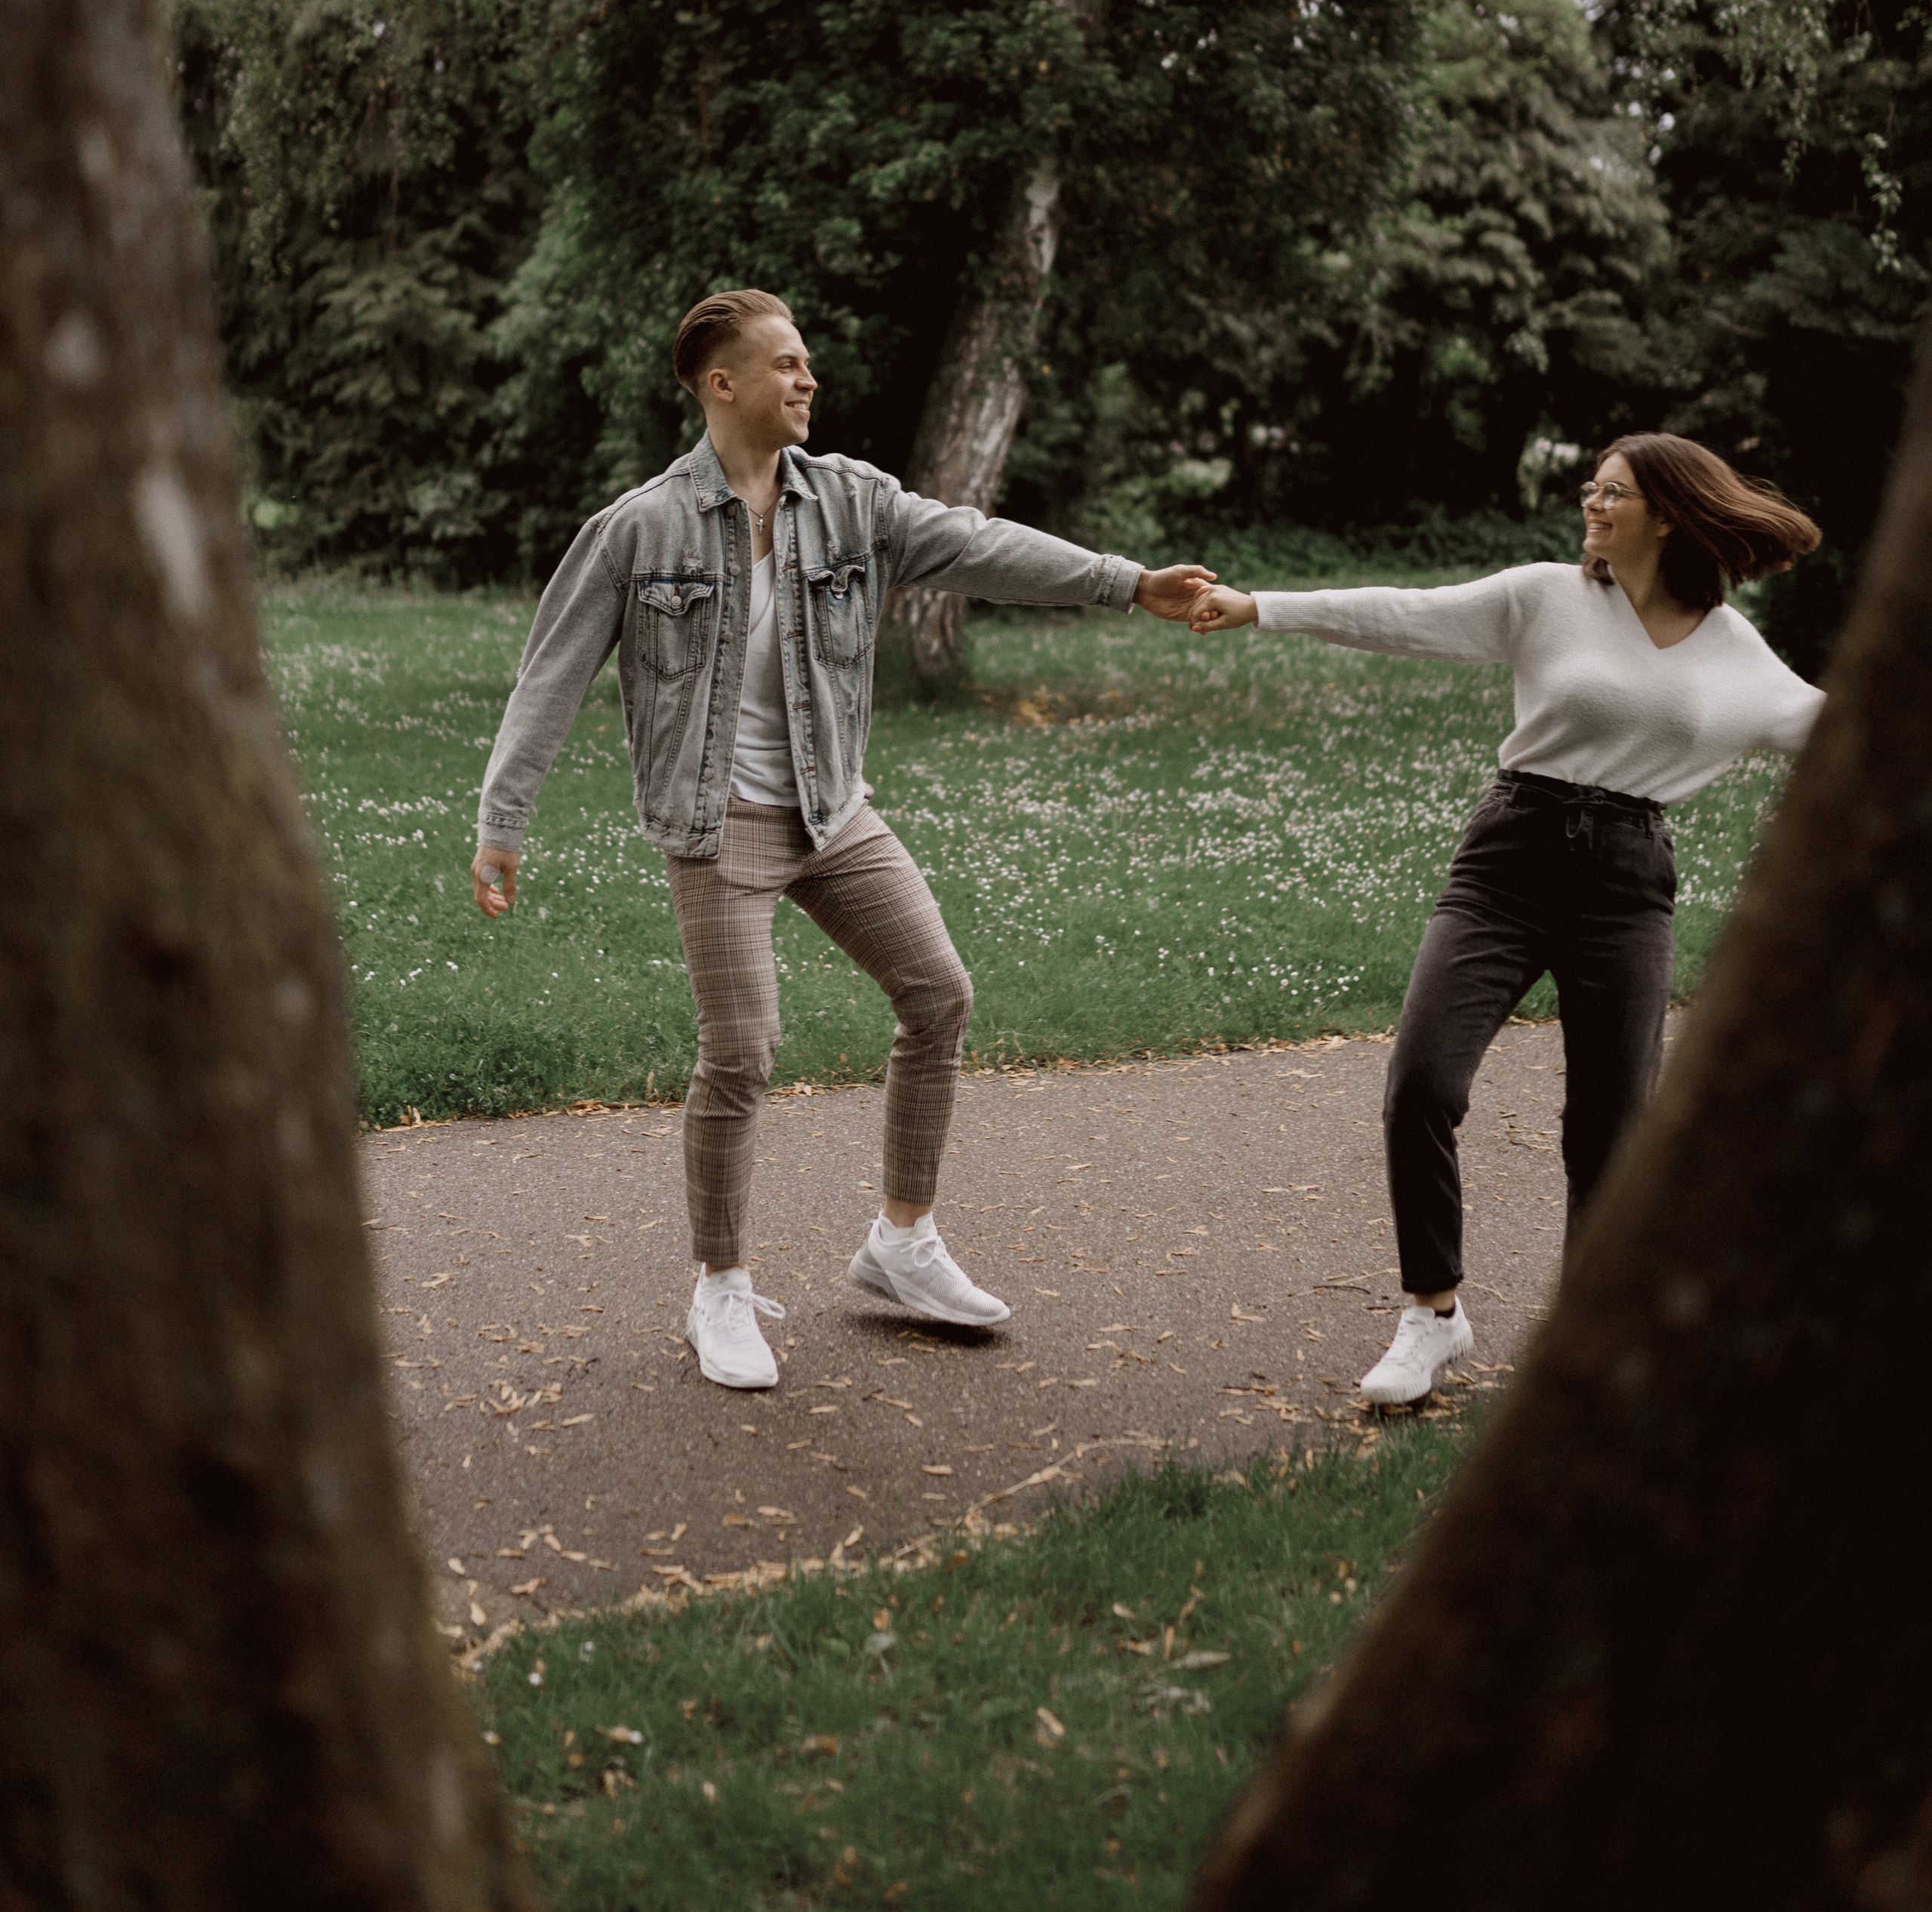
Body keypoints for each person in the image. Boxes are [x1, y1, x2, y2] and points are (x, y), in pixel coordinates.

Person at [472, 288, 1213, 1390]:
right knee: (743, 1051)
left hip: (831, 808)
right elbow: (551, 678)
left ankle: (902, 1244)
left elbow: (980, 548)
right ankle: (719, 1286)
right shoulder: (641, 528)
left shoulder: (853, 503)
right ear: (723, 384)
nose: (809, 380)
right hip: (717, 823)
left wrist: (1127, 584)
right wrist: (501, 822)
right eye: (787, 364)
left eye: (808, 363)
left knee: (939, 993)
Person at [1187, 436, 1824, 1406]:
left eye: (1613, 493)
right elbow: (1407, 616)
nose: (1592, 506)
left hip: (1627, 881)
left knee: (1609, 1127)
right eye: (1590, 490)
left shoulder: (1730, 646)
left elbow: (1835, 726)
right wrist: (1261, 608)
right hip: (1508, 859)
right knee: (1422, 1083)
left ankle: (1587, 1340)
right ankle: (1431, 1319)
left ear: (1667, 512)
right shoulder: (1546, 597)